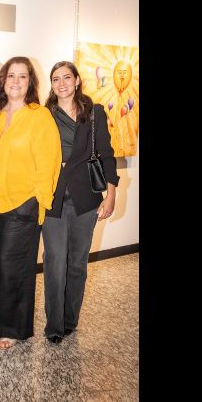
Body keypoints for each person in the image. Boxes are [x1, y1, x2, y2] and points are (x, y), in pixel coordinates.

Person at [0, 56, 61, 350]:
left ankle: (12, 329)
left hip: (23, 200)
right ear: (2, 80)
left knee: (14, 266)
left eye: (22, 76)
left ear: (30, 82)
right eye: (11, 75)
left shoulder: (39, 116)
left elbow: (49, 161)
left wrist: (40, 201)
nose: (16, 81)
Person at [41, 61, 120, 344]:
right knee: (54, 262)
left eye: (66, 77)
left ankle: (70, 319)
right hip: (53, 199)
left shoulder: (94, 113)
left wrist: (111, 193)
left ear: (76, 80)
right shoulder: (44, 115)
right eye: (55, 79)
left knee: (77, 263)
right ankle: (54, 324)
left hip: (86, 199)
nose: (61, 83)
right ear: (51, 85)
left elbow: (107, 154)